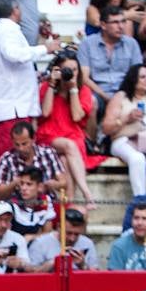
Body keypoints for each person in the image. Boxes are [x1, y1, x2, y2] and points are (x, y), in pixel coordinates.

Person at [0, 0, 61, 176]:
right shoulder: (7, 29)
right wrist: (45, 48)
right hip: (12, 108)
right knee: (5, 157)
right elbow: (15, 55)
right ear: (15, 8)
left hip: (14, 105)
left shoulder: (3, 29)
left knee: (15, 158)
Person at [37, 52, 98, 207]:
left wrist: (73, 90)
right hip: (49, 133)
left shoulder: (83, 90)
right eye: (67, 70)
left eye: (75, 70)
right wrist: (52, 84)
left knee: (65, 159)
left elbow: (77, 116)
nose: (71, 73)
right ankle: (87, 193)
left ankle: (68, 204)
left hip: (72, 134)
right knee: (69, 146)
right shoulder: (46, 86)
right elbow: (45, 113)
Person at [101, 63, 146, 197]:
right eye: (142, 77)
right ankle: (140, 200)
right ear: (133, 79)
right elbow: (106, 128)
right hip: (123, 141)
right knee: (137, 158)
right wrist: (126, 119)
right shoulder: (121, 97)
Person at [29, 208, 100, 271]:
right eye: (68, 233)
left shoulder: (87, 243)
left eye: (77, 234)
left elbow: (96, 277)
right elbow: (31, 273)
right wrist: (54, 262)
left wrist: (82, 265)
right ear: (58, 227)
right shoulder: (41, 243)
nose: (72, 239)